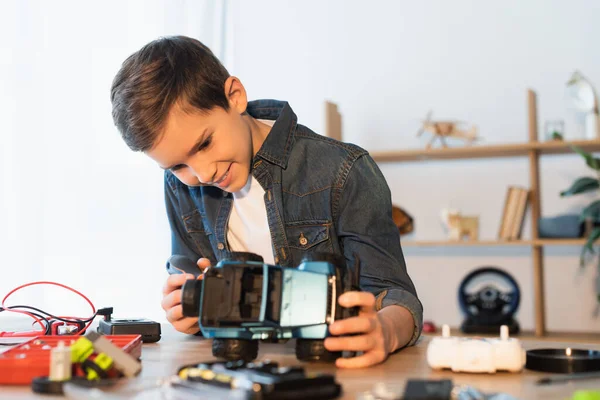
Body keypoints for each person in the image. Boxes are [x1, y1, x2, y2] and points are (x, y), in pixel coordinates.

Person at [110, 35, 423, 368]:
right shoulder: (179, 186)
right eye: (177, 165)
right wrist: (186, 305)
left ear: (235, 97)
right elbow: (188, 271)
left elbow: (397, 298)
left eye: (204, 144)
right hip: (235, 375)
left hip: (334, 371)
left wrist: (386, 331)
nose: (202, 174)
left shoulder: (344, 171)